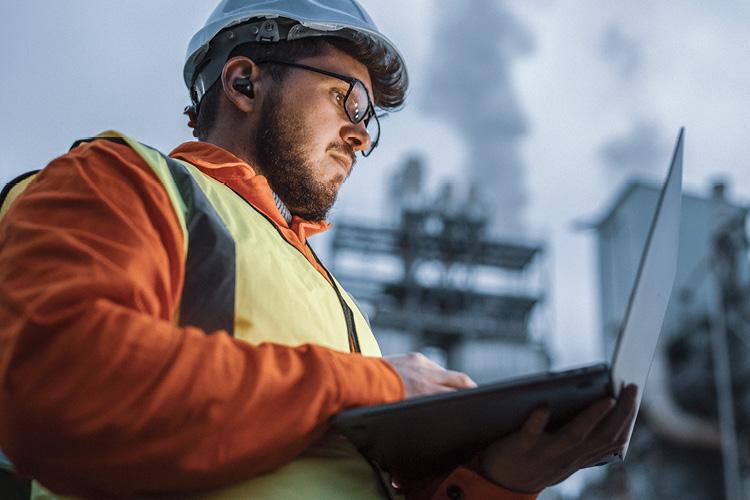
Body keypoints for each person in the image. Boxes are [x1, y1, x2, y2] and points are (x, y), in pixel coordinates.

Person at [0, 1, 637, 498]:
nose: (361, 134)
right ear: (245, 83)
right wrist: (374, 385)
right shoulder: (122, 181)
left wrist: (502, 478)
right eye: (346, 98)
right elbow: (59, 383)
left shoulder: (341, 310)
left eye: (371, 118)